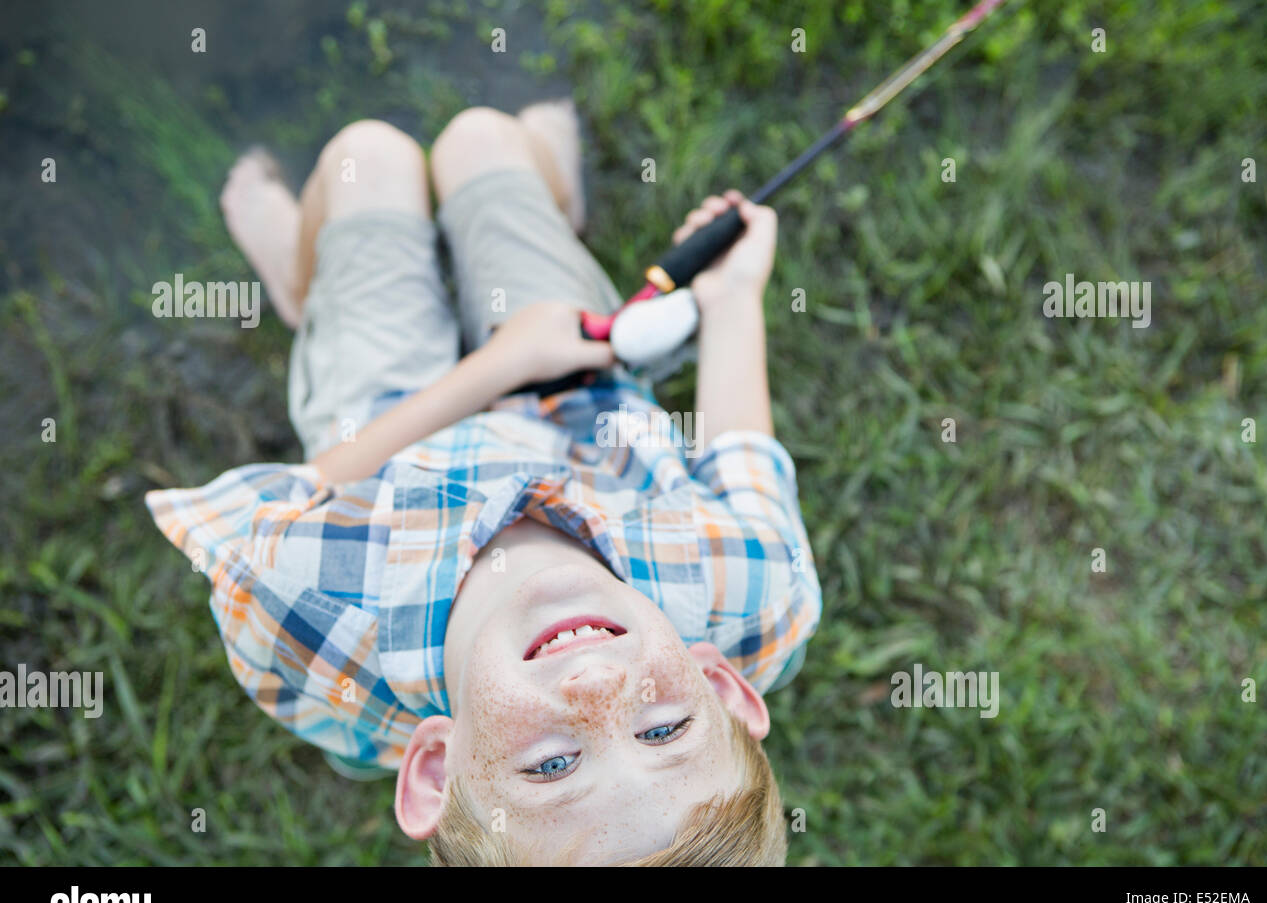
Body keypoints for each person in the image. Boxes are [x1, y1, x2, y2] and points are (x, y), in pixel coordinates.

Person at [145, 100, 821, 864]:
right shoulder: (756, 595)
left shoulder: (310, 610)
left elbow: (272, 504)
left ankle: (305, 291)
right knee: (481, 139)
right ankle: (552, 201)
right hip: (580, 390)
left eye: (553, 765)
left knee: (366, 156)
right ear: (721, 688)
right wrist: (732, 299)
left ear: (435, 769)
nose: (597, 681)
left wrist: (495, 366)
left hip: (384, 421)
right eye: (664, 729)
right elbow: (742, 457)